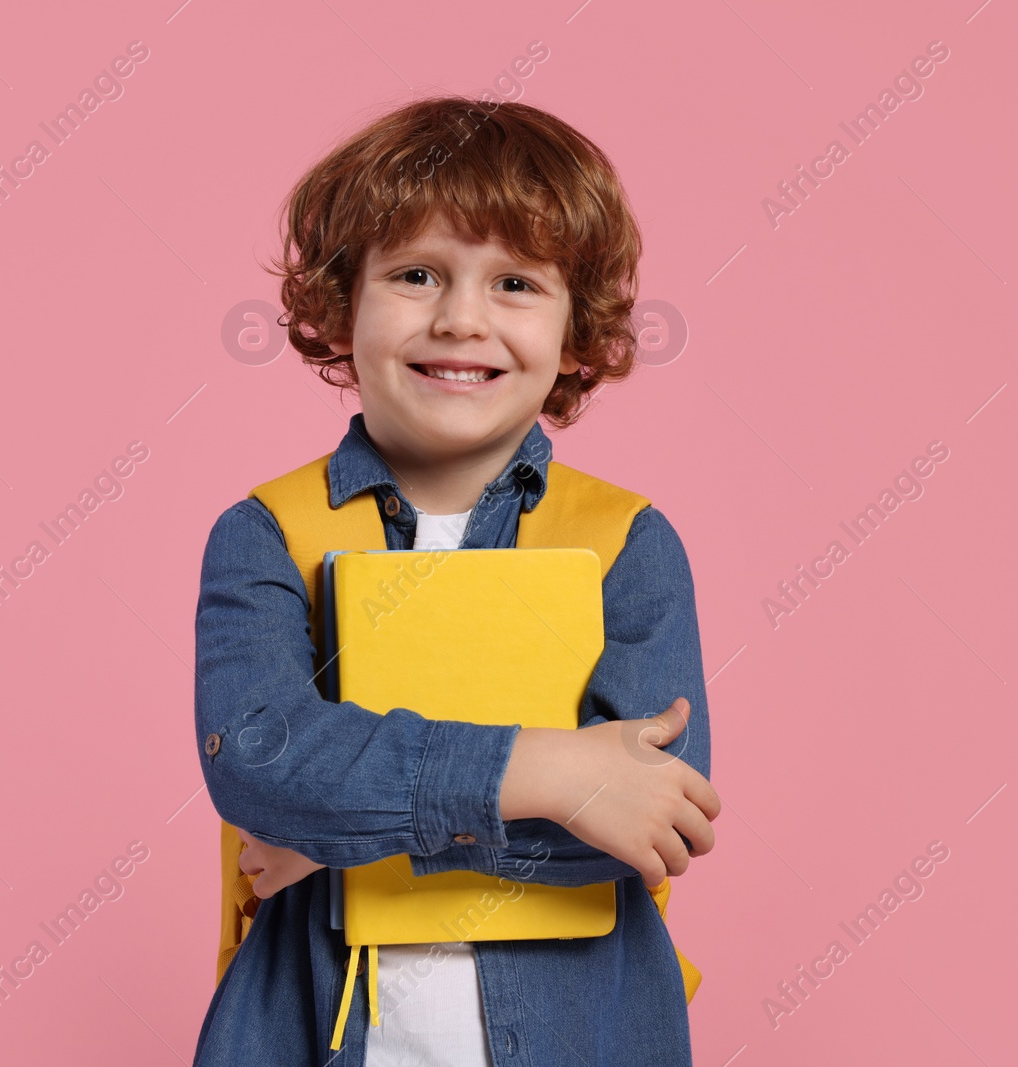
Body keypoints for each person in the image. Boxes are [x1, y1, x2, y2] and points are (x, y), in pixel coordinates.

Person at [192, 94, 720, 1066]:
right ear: (340, 306)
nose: (460, 317)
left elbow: (646, 824)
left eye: (515, 281)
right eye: (415, 273)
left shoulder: (626, 544)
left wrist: (347, 839)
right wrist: (555, 771)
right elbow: (260, 762)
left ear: (574, 333)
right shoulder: (266, 534)